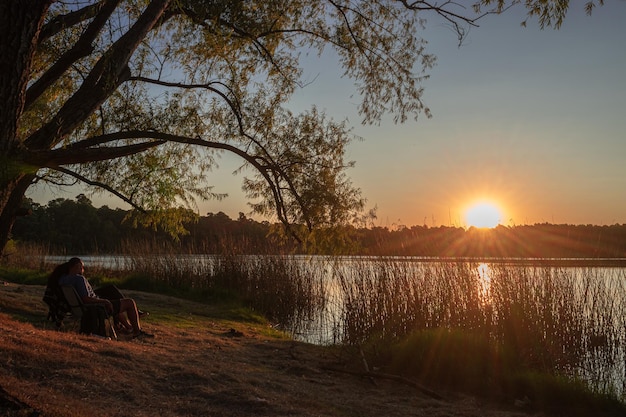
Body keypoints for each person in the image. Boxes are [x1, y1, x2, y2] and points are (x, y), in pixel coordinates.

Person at [58, 257, 153, 339]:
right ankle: (137, 332)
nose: (83, 270)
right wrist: (104, 301)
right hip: (96, 307)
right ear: (76, 267)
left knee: (113, 296)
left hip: (80, 308)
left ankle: (127, 327)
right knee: (130, 302)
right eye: (81, 267)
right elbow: (86, 298)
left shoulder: (64, 279)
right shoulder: (79, 279)